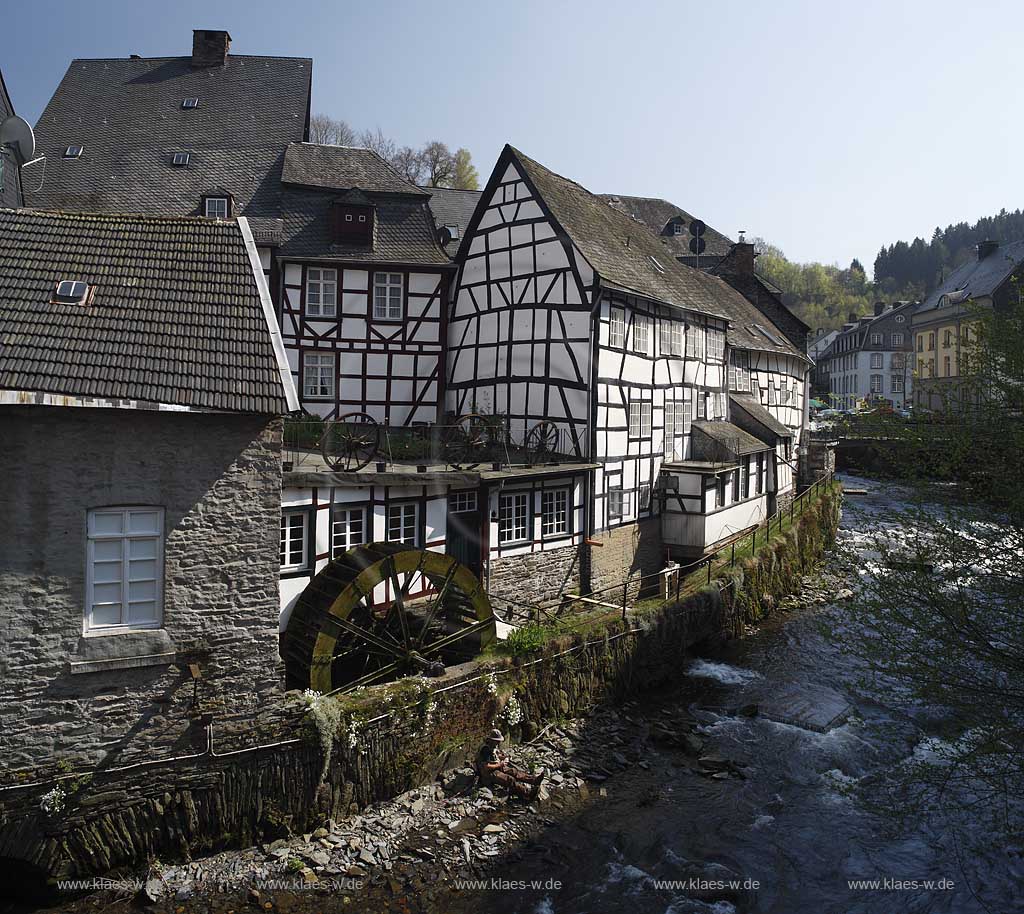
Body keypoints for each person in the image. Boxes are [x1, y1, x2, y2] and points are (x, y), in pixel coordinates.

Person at [475, 729, 545, 800]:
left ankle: (534, 780)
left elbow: (495, 755)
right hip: (488, 773)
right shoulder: (485, 749)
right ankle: (528, 793)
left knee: (513, 771)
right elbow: (486, 766)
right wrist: (500, 765)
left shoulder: (493, 746)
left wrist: (503, 757)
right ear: (492, 740)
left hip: (497, 767)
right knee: (509, 779)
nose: (499, 742)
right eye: (497, 741)